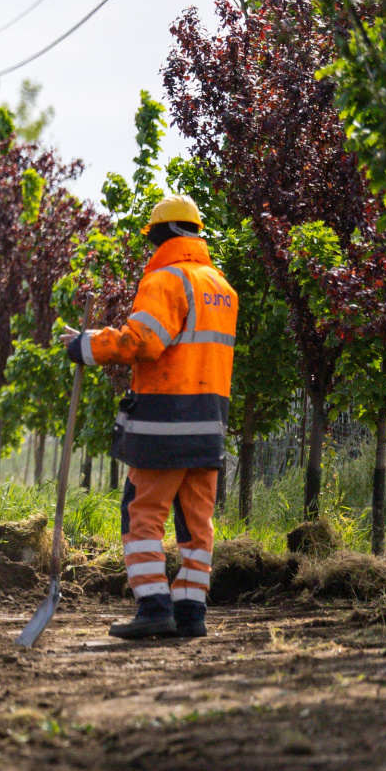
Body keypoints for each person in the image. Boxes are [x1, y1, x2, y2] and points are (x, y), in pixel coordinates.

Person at [62, 195, 238, 640]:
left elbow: (143, 342)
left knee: (141, 515)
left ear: (162, 236)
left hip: (165, 424)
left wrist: (86, 346)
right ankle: (191, 614)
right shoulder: (222, 289)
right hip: (209, 429)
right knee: (197, 526)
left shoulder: (166, 280)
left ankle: (154, 606)